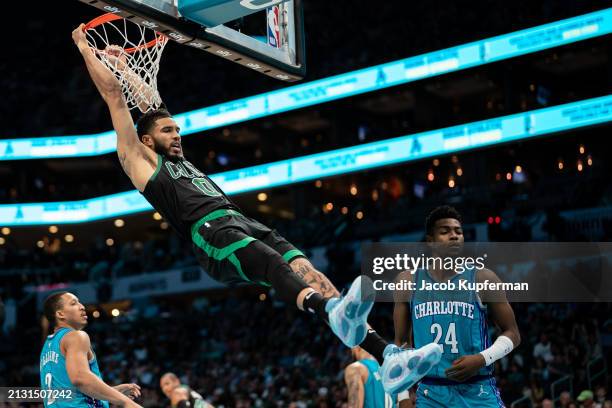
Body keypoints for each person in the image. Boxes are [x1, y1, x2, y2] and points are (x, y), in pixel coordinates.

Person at [71, 24, 441, 393]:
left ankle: (388, 355)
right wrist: (87, 47)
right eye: (169, 131)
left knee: (307, 269)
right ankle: (328, 311)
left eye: (178, 129)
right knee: (274, 264)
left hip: (240, 219)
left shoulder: (173, 152)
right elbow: (115, 96)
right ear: (148, 140)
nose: (177, 134)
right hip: (209, 233)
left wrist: (124, 64)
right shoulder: (139, 159)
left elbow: (148, 100)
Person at [392, 206, 521, 407]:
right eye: (445, 232)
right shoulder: (407, 282)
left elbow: (513, 333)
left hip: (478, 390)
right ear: (430, 241)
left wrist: (482, 358)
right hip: (431, 393)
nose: (454, 236)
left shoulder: (483, 278)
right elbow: (401, 343)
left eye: (458, 232)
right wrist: (403, 396)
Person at [39, 291, 142, 408]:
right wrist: (126, 401)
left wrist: (113, 391)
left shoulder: (48, 347)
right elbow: (80, 378)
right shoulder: (76, 336)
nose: (82, 307)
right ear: (60, 314)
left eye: (80, 302)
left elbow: (70, 395)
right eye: (74, 303)